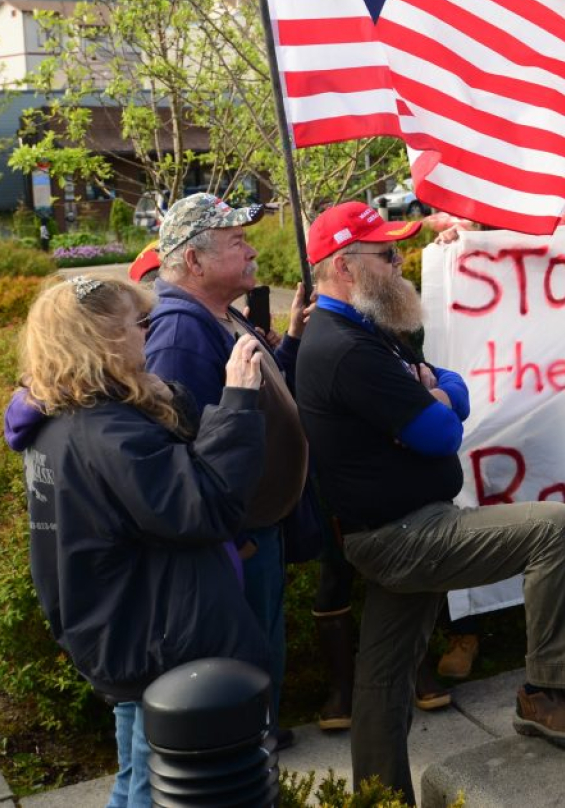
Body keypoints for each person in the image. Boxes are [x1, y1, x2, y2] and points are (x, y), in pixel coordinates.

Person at [293, 201, 565, 803]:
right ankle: (546, 692)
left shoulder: (362, 331)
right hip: (404, 534)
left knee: (385, 677)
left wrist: (435, 391)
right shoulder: (346, 349)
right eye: (387, 256)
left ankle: (378, 795)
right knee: (556, 529)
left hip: (392, 528)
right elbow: (444, 431)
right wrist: (437, 398)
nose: (399, 265)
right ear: (345, 266)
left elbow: (452, 385)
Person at [5, 276, 269, 808]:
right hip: (158, 640)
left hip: (122, 630)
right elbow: (203, 505)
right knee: (158, 784)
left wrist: (167, 398)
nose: (149, 335)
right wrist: (238, 401)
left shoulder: (60, 418)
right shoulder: (105, 431)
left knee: (135, 776)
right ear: (102, 339)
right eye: (138, 325)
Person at [141, 193, 318, 747]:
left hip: (257, 525)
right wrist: (236, 539)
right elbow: (180, 450)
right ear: (193, 261)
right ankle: (246, 753)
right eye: (236, 241)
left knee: (263, 644)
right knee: (244, 655)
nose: (251, 250)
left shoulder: (220, 313)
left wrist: (288, 343)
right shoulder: (178, 334)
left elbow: (256, 391)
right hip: (236, 538)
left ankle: (257, 734)